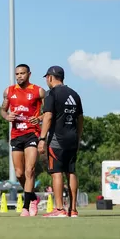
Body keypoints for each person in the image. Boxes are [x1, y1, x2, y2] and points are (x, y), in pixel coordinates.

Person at [38, 66, 83, 218]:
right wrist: (78, 137)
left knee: (56, 172)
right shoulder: (74, 94)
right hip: (73, 138)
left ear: (50, 77)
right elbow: (80, 119)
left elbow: (48, 116)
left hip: (57, 139)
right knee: (71, 171)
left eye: (46, 78)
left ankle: (59, 209)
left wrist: (42, 139)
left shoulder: (52, 94)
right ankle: (73, 209)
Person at [0, 64, 45, 217]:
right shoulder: (9, 91)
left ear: (29, 74)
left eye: (22, 73)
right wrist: (7, 116)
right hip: (16, 135)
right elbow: (2, 110)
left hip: (32, 134)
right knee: (19, 174)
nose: (19, 76)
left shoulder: (38, 91)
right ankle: (33, 197)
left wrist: (39, 118)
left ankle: (26, 207)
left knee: (29, 170)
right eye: (17, 74)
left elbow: (49, 113)